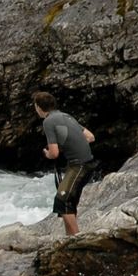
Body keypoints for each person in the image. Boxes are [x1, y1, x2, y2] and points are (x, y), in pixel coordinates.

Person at [34, 90, 97, 235]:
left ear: (38, 107)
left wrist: (47, 154)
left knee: (62, 200)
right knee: (69, 202)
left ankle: (76, 238)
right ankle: (69, 238)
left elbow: (54, 153)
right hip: (87, 163)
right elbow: (90, 137)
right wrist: (69, 145)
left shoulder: (48, 121)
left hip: (79, 165)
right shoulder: (66, 116)